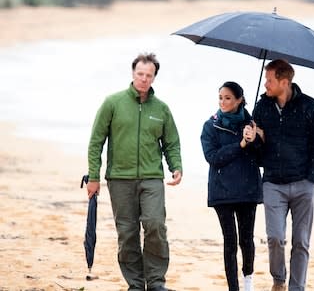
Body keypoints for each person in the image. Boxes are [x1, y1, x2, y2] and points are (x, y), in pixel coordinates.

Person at [86, 53, 182, 291]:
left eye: (149, 75)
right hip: (120, 179)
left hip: (152, 178)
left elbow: (171, 142)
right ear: (132, 73)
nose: (144, 79)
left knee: (155, 225)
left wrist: (176, 166)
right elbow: (96, 141)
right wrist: (94, 176)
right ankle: (136, 285)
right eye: (140, 74)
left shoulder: (161, 109)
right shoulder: (113, 103)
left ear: (154, 77)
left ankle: (157, 283)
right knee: (127, 233)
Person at [250, 59, 314, 291]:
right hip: (273, 182)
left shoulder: (310, 107)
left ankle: (297, 288)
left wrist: (313, 177)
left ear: (284, 82)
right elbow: (256, 150)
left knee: (301, 242)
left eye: (270, 80)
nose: (266, 84)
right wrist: (255, 137)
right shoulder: (262, 107)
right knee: (275, 237)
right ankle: (279, 280)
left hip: (304, 184)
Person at [200, 81, 263, 291]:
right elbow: (213, 157)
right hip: (222, 192)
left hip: (247, 191)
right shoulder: (210, 125)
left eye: (228, 98)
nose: (223, 102)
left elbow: (262, 156)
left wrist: (254, 139)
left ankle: (248, 282)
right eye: (220, 97)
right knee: (230, 241)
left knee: (246, 239)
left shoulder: (252, 124)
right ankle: (233, 288)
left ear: (239, 100)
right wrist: (241, 144)